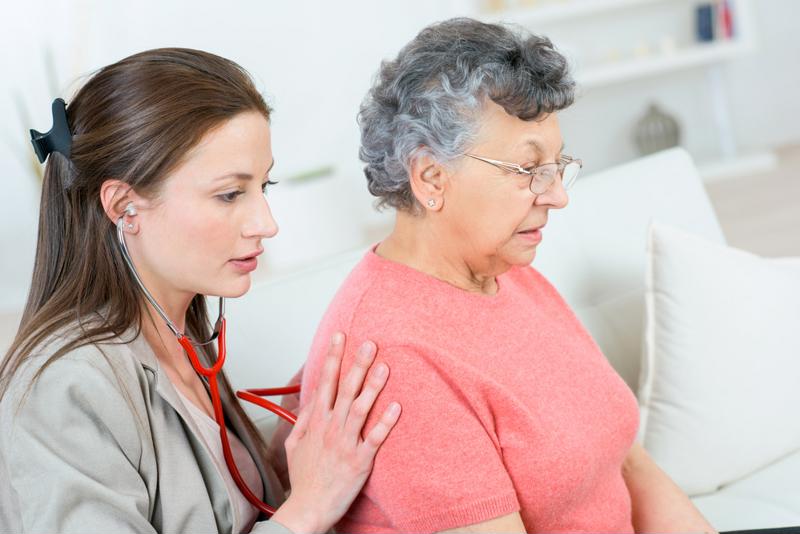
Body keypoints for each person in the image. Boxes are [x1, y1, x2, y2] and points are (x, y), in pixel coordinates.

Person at [300, 18, 717, 533]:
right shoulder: (395, 358)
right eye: (528, 169)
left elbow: (629, 463)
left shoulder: (506, 269)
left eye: (558, 164)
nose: (558, 194)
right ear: (431, 176)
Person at [0, 48, 400, 534]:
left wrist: (280, 470)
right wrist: (308, 509)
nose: (266, 224)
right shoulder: (67, 387)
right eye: (230, 194)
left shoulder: (180, 335)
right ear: (125, 206)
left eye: (263, 187)